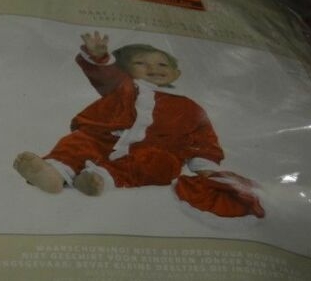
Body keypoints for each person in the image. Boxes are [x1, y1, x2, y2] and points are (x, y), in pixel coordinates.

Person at [14, 32, 222, 196]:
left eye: (162, 64)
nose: (153, 68)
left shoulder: (188, 107)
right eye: (141, 63)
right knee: (78, 143)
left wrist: (206, 168)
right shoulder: (122, 86)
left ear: (176, 73)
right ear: (125, 69)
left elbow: (202, 138)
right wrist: (99, 57)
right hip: (103, 138)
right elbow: (104, 74)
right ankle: (54, 173)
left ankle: (99, 179)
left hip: (151, 150)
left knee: (160, 164)